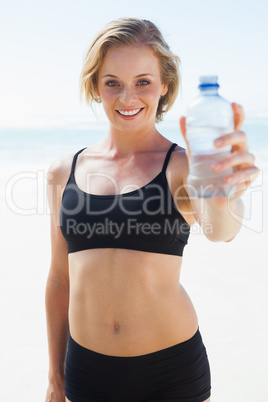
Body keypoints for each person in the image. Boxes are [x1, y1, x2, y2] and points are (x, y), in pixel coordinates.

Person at [44, 18, 259, 402]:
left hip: (170, 374)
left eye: (143, 81)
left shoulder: (182, 166)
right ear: (96, 87)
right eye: (113, 82)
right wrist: (54, 378)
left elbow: (221, 231)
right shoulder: (63, 172)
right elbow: (60, 281)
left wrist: (222, 197)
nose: (128, 98)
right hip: (86, 373)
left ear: (165, 86)